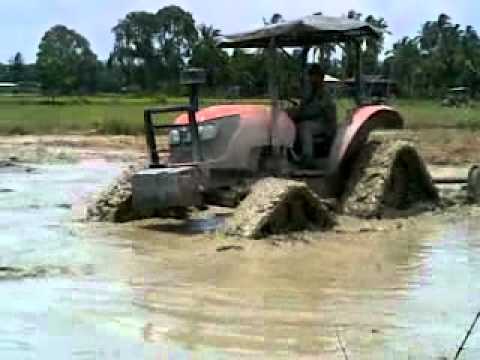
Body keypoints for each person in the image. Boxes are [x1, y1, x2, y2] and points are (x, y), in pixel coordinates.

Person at [289, 64, 337, 164]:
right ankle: (291, 154)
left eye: (314, 76)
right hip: (313, 121)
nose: (311, 79)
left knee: (304, 127)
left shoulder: (324, 94)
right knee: (290, 125)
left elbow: (316, 111)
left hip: (324, 123)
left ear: (320, 77)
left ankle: (308, 157)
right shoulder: (310, 92)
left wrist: (299, 114)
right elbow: (303, 106)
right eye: (311, 76)